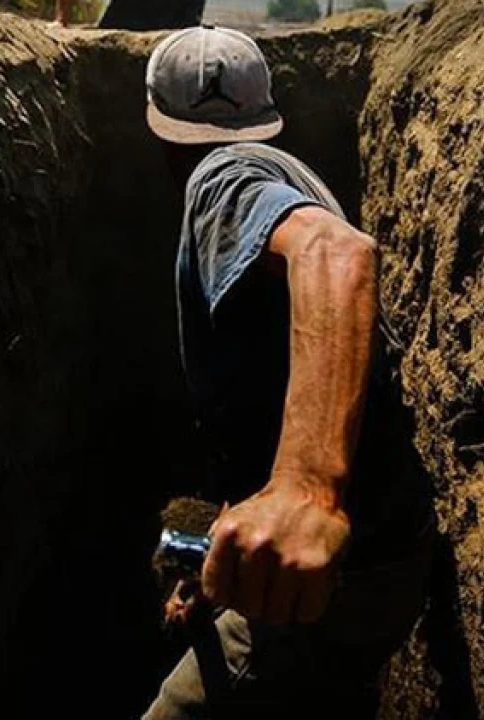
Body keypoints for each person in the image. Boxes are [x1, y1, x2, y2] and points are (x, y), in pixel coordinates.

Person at [141, 26, 434, 719]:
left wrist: (307, 488)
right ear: (265, 112)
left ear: (159, 129)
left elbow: (338, 252)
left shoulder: (221, 182)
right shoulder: (288, 176)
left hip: (339, 575)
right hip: (385, 555)